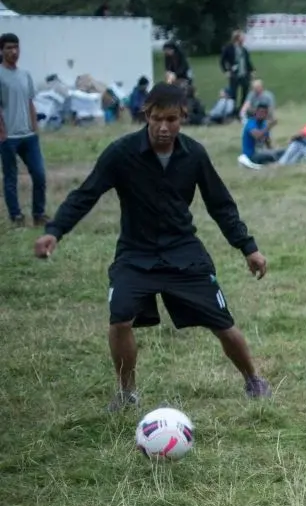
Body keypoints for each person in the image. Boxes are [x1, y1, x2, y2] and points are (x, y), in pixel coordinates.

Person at [33, 82, 271, 411]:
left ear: (183, 117)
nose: (163, 127)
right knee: (119, 320)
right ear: (146, 115)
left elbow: (221, 206)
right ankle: (127, 392)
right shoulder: (121, 153)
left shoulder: (194, 155)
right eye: (156, 118)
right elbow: (85, 195)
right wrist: (55, 231)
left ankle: (253, 379)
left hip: (183, 253)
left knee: (223, 323)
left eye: (171, 119)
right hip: (136, 254)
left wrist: (248, 248)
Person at [0, 33, 47, 229]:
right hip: (8, 136)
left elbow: (30, 102)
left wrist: (35, 128)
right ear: (1, 50)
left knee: (39, 175)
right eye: (9, 48)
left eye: (16, 47)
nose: (14, 51)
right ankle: (16, 216)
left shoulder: (25, 74)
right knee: (11, 177)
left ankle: (38, 214)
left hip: (28, 135)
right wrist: (2, 131)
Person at [219, 30, 254, 115]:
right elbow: (222, 61)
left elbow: (247, 62)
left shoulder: (244, 49)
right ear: (237, 38)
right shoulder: (229, 48)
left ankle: (242, 110)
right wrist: (226, 71)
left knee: (245, 92)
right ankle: (233, 111)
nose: (244, 38)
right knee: (233, 93)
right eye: (242, 37)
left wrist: (252, 71)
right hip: (234, 74)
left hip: (244, 74)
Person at [237, 102, 278, 168]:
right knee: (271, 156)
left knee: (280, 152)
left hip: (261, 152)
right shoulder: (251, 123)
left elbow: (267, 143)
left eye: (264, 113)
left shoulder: (264, 124)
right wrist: (269, 127)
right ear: (256, 112)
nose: (261, 114)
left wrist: (272, 149)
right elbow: (257, 136)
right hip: (251, 155)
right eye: (260, 112)